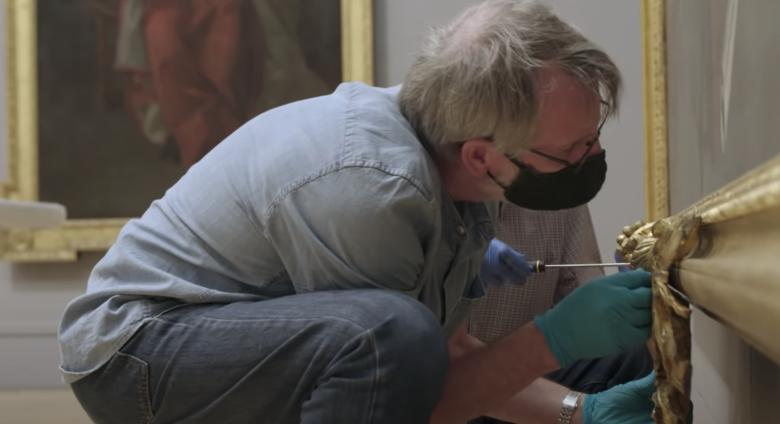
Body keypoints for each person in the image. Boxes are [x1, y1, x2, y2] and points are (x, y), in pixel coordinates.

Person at [58, 1, 654, 423]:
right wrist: (553, 337)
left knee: (612, 361)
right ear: (482, 156)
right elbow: (411, 391)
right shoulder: (374, 186)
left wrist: (585, 412)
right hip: (135, 354)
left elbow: (446, 361)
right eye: (571, 149)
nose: (592, 155)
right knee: (392, 336)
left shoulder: (456, 163)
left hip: (244, 341)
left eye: (593, 137)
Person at [469, 204, 655, 424]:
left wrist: (624, 296)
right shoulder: (430, 201)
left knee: (632, 361)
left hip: (525, 377)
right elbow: (448, 370)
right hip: (448, 387)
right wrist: (580, 412)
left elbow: (588, 300)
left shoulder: (560, 190)